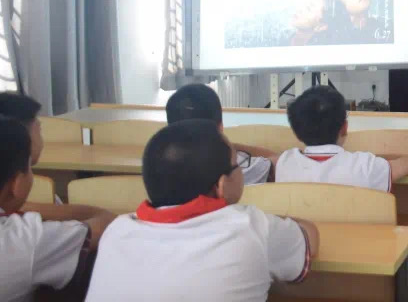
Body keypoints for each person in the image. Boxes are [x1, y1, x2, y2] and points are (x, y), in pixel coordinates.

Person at [85, 119, 319, 302]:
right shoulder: (251, 227)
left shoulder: (116, 231)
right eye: (237, 165)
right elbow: (309, 238)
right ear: (221, 186)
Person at [0, 116, 115, 302]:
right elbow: (106, 223)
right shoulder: (26, 239)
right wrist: (28, 208)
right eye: (30, 167)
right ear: (17, 183)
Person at [276, 85, 408, 189]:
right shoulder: (365, 166)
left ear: (296, 133)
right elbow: (407, 164)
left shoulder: (285, 164)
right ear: (344, 128)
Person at [165, 83, 278, 185]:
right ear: (220, 127)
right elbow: (277, 161)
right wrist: (231, 146)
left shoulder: (161, 166)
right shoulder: (235, 165)